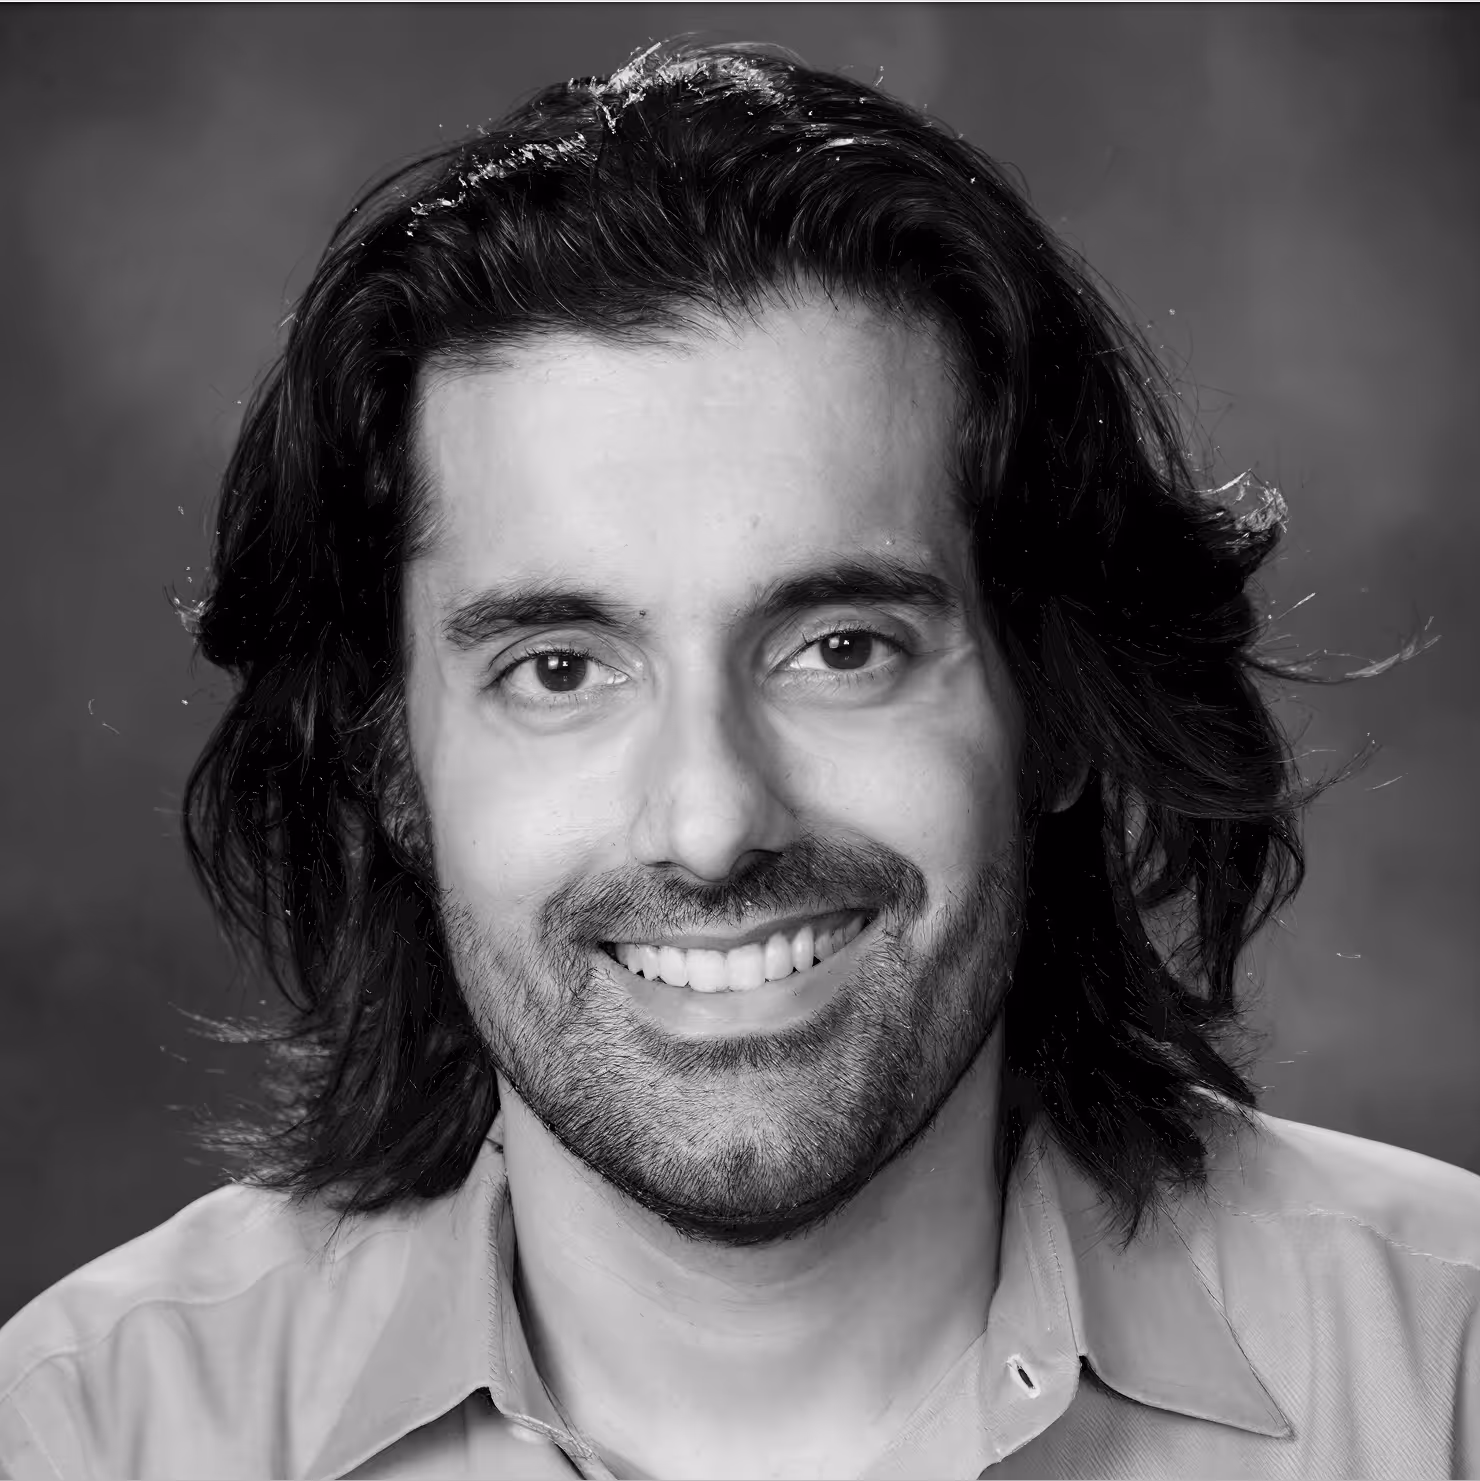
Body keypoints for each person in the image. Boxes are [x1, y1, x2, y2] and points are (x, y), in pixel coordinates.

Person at [1, 38, 1475, 1481]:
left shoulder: (1446, 1374)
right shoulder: (89, 1437)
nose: (711, 823)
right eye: (560, 670)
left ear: (1060, 711)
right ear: (393, 764)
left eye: (842, 648)